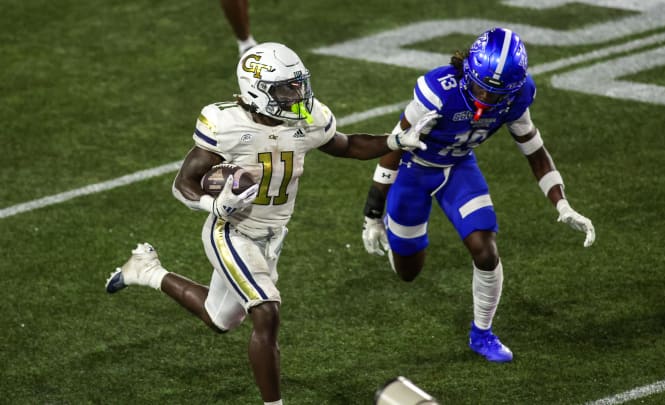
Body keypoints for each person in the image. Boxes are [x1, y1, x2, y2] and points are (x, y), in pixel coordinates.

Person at [104, 42, 429, 405]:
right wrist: (216, 204)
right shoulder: (226, 124)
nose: (298, 94)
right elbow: (182, 184)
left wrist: (395, 140)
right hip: (231, 231)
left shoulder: (307, 119)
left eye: (299, 84)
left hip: (273, 234)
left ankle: (146, 270)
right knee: (266, 310)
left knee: (220, 318)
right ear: (255, 90)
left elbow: (347, 145)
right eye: (286, 88)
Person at [361, 28, 596, 363]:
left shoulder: (517, 96)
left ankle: (482, 333)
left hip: (458, 168)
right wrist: (372, 212)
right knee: (408, 272)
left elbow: (534, 150)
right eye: (479, 87)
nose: (485, 98)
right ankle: (394, 227)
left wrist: (562, 203)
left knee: (485, 250)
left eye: (495, 93)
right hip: (414, 172)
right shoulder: (438, 91)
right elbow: (393, 146)